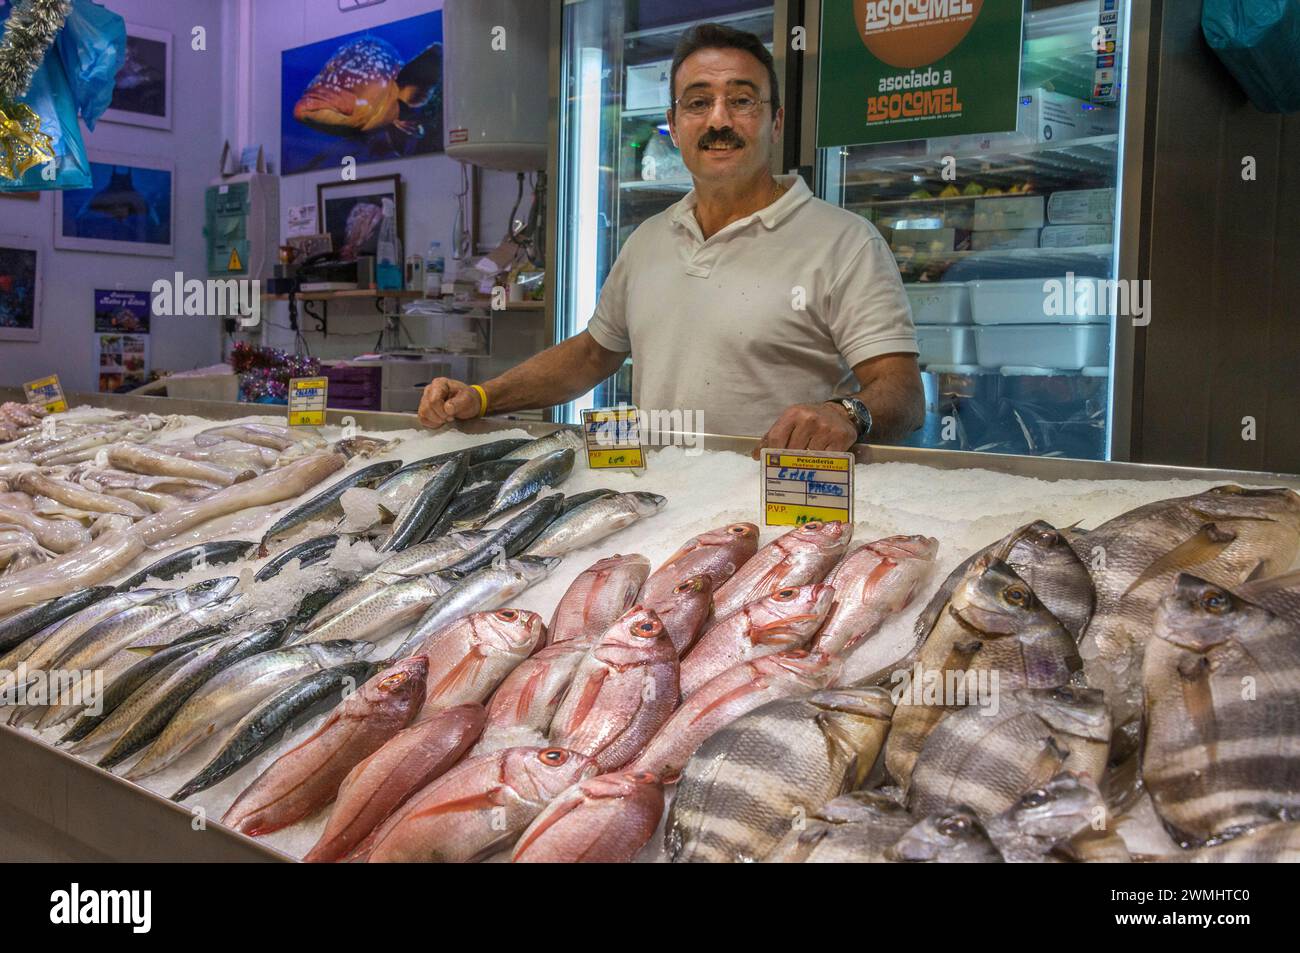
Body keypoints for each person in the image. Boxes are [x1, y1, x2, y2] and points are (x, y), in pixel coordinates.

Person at [419, 22, 924, 451]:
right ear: (675, 126)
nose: (719, 120)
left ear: (775, 122)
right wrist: (483, 397)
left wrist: (847, 413)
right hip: (662, 502)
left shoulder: (846, 242)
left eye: (741, 100)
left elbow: (902, 393)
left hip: (780, 510)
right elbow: (593, 354)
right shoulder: (649, 240)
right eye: (698, 102)